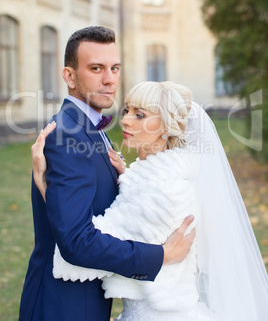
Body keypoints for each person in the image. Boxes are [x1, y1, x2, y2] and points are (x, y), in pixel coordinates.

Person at [32, 81, 268, 320]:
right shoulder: (163, 178)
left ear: (166, 127)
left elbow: (85, 246)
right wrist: (128, 177)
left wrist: (46, 187)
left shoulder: (166, 194)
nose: (124, 120)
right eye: (127, 110)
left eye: (140, 115)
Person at [19, 27, 195, 321]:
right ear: (70, 76)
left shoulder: (91, 129)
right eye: (96, 68)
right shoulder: (67, 135)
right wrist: (162, 255)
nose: (110, 79)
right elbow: (77, 241)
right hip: (63, 307)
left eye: (114, 68)